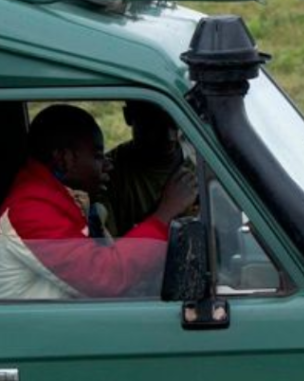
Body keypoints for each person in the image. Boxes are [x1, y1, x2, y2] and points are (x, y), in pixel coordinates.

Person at [0, 104, 196, 300]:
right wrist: (164, 214)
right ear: (63, 159)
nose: (108, 165)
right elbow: (106, 278)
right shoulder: (29, 210)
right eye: (98, 156)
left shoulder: (50, 198)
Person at [102, 100, 196, 237]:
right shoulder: (106, 175)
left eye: (174, 122)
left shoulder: (202, 164)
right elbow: (114, 255)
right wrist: (167, 210)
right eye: (155, 122)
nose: (170, 136)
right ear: (128, 116)